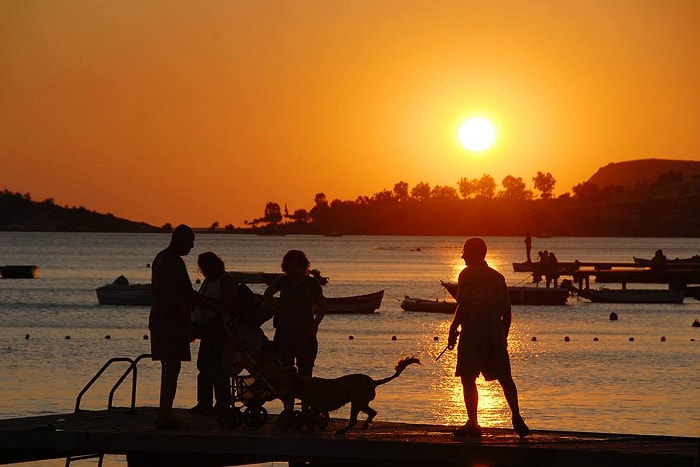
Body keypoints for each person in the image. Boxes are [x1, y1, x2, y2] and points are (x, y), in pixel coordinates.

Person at [447, 237, 530, 438]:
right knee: (505, 377)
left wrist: (452, 329)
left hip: (473, 333)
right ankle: (517, 416)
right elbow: (507, 312)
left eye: (465, 251)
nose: (462, 255)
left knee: (468, 378)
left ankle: (473, 424)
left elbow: (463, 305)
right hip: (495, 333)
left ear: (475, 253)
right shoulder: (497, 277)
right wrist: (504, 336)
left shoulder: (466, 274)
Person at [148, 224, 210, 429]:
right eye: (191, 242)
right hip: (170, 322)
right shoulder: (173, 261)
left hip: (160, 319)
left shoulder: (161, 258)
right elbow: (187, 293)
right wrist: (212, 305)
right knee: (172, 366)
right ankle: (165, 415)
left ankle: (164, 412)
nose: (192, 248)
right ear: (181, 240)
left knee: (169, 366)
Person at [263, 250, 326, 379]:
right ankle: (289, 399)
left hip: (306, 333)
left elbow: (322, 306)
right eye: (292, 267)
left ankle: (305, 399)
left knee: (305, 372)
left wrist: (315, 326)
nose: (295, 270)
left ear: (304, 266)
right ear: (287, 268)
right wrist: (276, 309)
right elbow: (267, 295)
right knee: (285, 371)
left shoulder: (312, 283)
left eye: (298, 266)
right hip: (285, 333)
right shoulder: (282, 281)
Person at [188, 252, 236, 415]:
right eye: (202, 268)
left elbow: (227, 305)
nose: (204, 271)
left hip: (221, 329)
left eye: (206, 267)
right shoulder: (209, 281)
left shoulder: (225, 280)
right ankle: (204, 403)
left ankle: (222, 403)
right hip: (206, 329)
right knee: (204, 366)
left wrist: (202, 302)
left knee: (219, 367)